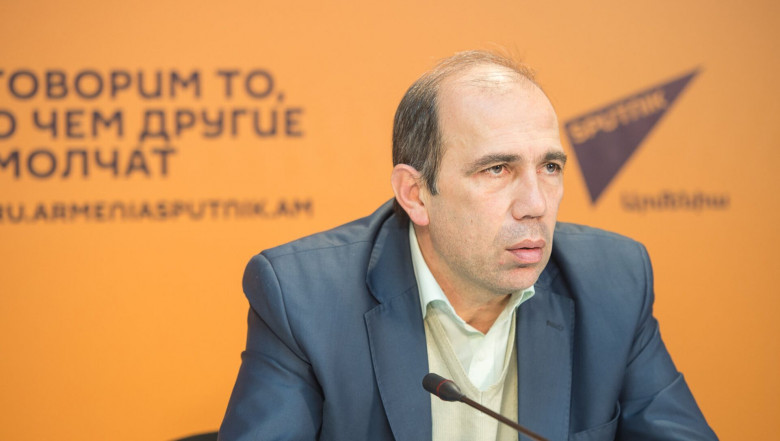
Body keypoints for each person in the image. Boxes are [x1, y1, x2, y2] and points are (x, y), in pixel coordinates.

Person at [218, 51, 718, 441]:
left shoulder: (613, 281)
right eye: (497, 169)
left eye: (550, 167)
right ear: (416, 194)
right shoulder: (305, 298)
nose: (535, 204)